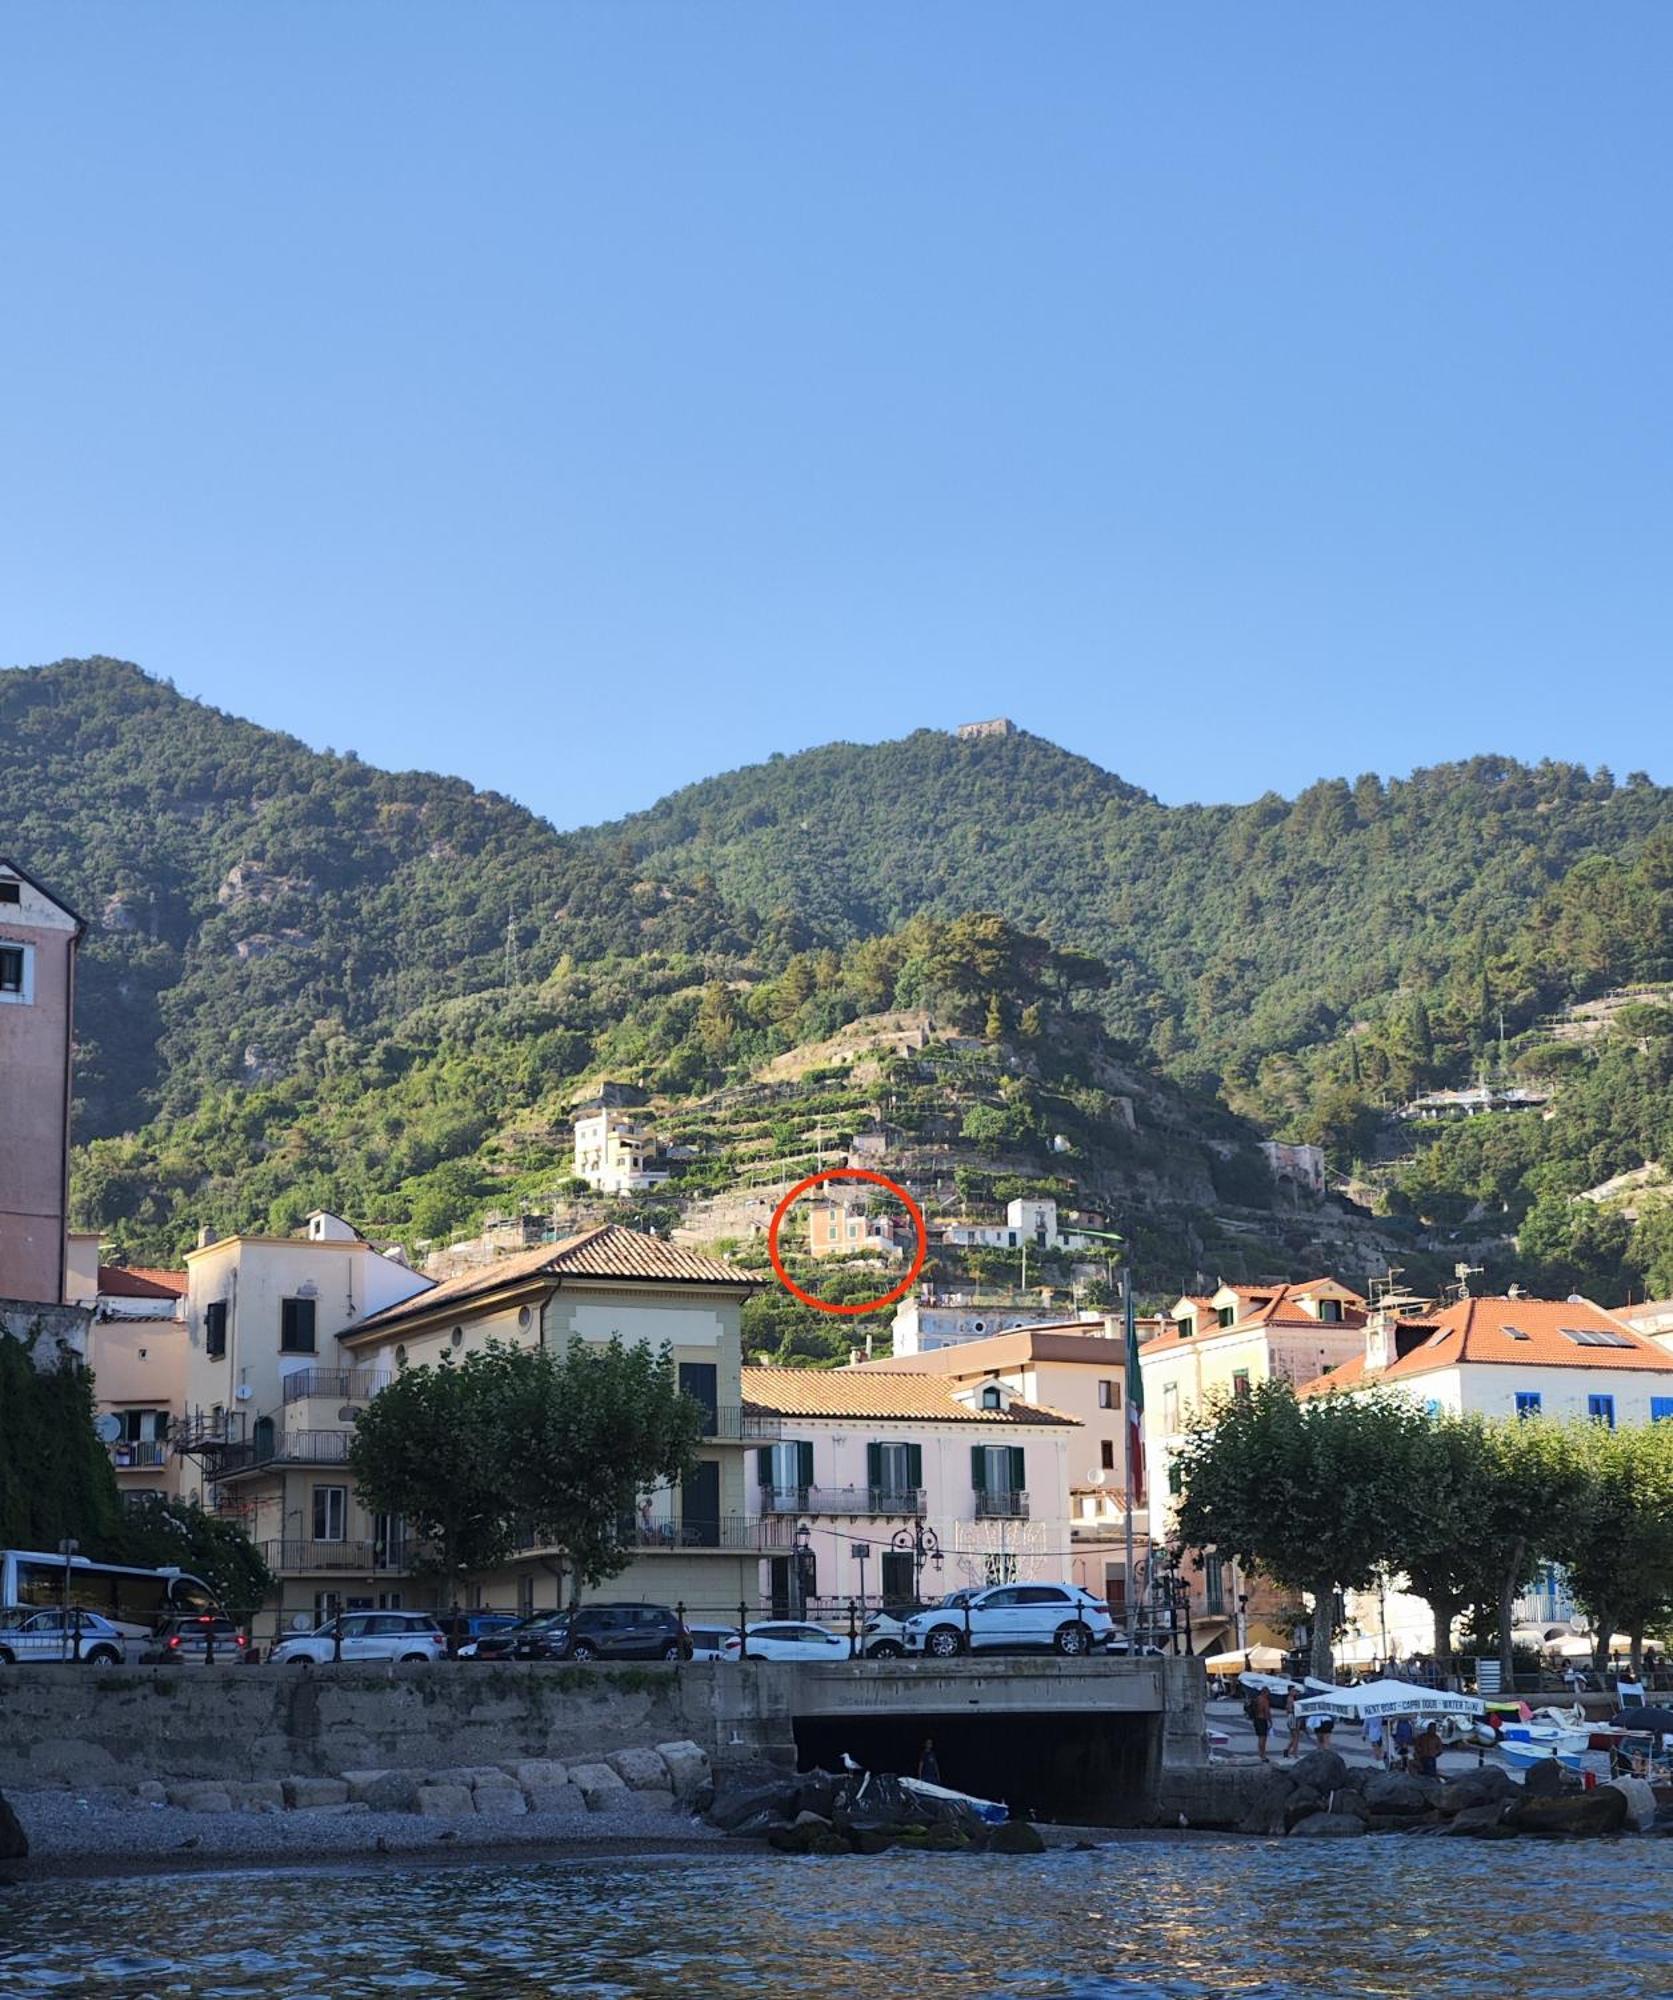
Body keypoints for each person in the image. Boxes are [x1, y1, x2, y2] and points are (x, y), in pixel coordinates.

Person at [1249, 1685, 1273, 1762]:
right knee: (1263, 1738)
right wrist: (1270, 1721)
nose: (1268, 1695)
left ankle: (1260, 1754)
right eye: (1268, 1693)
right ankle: (1263, 1755)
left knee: (1260, 1738)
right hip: (1262, 1720)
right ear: (1265, 1693)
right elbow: (1267, 1712)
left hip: (1256, 1719)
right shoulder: (1265, 1700)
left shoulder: (1257, 1699)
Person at [1284, 1685, 1305, 1758]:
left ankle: (1288, 1750)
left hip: (1292, 1717)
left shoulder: (1293, 1698)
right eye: (1293, 1691)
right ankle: (1294, 1753)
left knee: (1295, 1736)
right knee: (1295, 1736)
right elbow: (1290, 1709)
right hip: (1292, 1717)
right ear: (1290, 1691)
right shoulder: (1290, 1699)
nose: (1295, 1692)